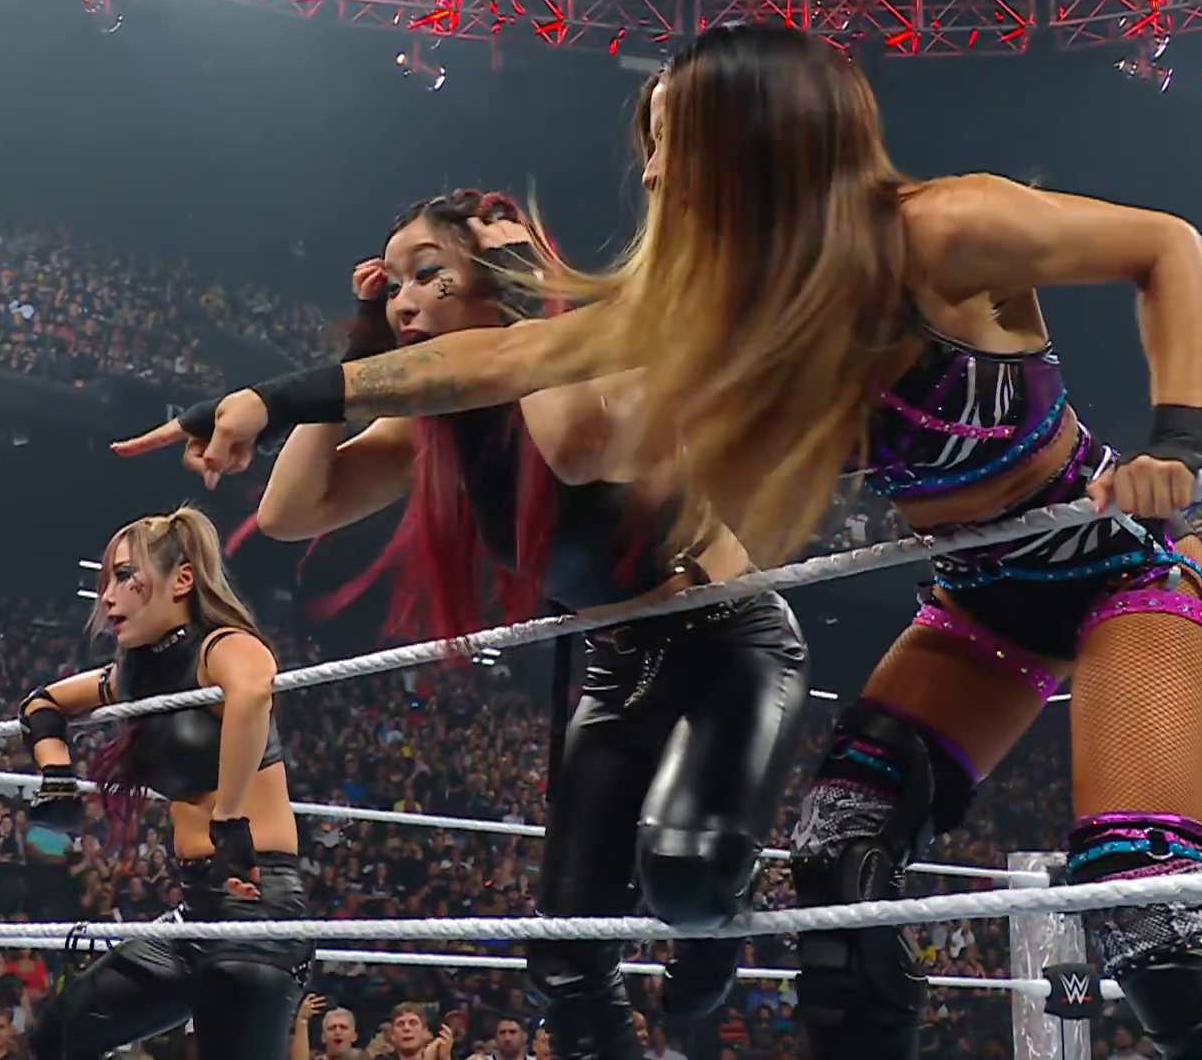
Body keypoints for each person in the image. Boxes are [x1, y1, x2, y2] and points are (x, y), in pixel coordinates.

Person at [120, 24, 1202, 1060]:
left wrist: (1174, 439)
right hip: (977, 601)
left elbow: (1165, 247)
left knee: (1141, 906)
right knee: (837, 855)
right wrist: (270, 398)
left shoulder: (939, 229)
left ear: (753, 133)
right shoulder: (725, 307)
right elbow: (493, 360)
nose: (651, 169)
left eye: (671, 139)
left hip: (1116, 568)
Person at [118, 189, 812, 1060]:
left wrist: (524, 284)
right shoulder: (440, 425)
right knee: (564, 961)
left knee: (688, 879)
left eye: (426, 274)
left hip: (728, 639)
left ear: (495, 275)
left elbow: (575, 448)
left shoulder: (605, 349)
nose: (402, 300)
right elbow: (295, 511)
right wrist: (359, 351)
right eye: (391, 286)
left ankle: (715, 921)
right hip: (619, 666)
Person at [18, 506, 310, 1060]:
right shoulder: (137, 677)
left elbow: (252, 693)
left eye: (125, 577)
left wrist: (229, 820)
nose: (109, 598)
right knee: (57, 1036)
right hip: (193, 914)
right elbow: (42, 703)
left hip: (257, 910)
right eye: (105, 583)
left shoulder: (222, 647)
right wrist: (57, 774)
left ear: (182, 581)